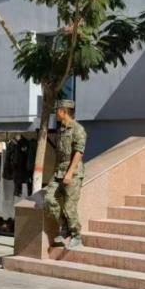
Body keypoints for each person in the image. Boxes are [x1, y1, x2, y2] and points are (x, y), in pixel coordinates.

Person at [45, 99, 87, 250]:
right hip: (59, 171)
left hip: (73, 172)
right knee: (49, 199)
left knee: (69, 206)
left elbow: (79, 152)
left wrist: (69, 173)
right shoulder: (61, 129)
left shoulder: (78, 129)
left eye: (57, 110)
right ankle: (65, 227)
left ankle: (76, 236)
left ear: (64, 111)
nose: (56, 113)